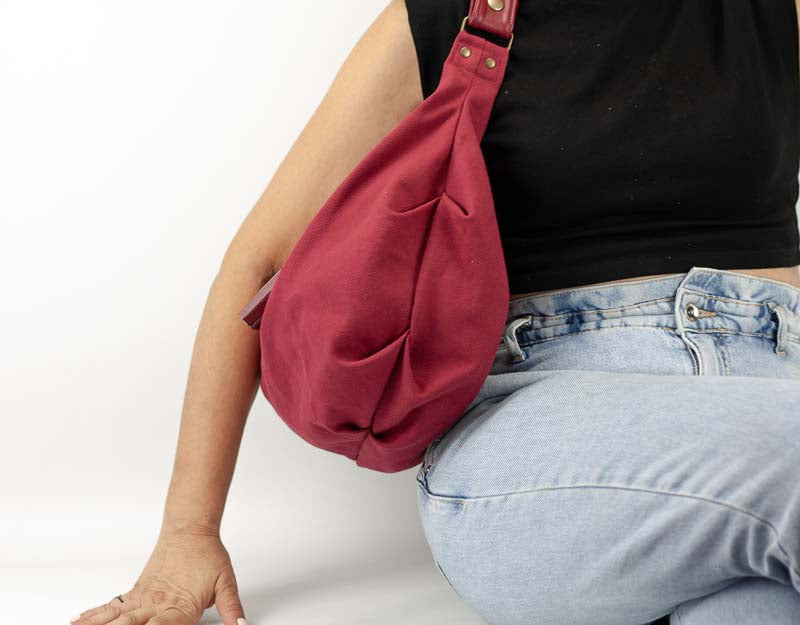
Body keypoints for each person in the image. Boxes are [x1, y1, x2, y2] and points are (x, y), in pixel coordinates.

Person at [68, 1, 800, 624]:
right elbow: (255, 271)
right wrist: (188, 531)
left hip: (770, 392)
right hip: (541, 440)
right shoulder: (459, 22)